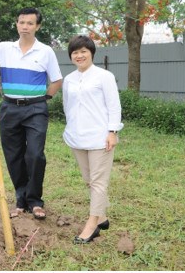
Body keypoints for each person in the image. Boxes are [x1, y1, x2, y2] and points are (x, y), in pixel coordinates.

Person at [0, 7, 62, 220]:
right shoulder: (4, 48)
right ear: (17, 24)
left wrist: (42, 99)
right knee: (14, 156)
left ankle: (35, 200)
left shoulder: (45, 51)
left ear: (38, 26)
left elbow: (57, 81)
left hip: (36, 109)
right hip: (9, 108)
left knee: (35, 155)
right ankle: (21, 200)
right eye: (22, 22)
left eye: (30, 23)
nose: (25, 26)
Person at [62, 35, 123, 244]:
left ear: (91, 53)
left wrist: (112, 131)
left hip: (100, 138)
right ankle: (103, 217)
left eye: (83, 52)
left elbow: (114, 105)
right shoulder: (69, 79)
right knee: (89, 180)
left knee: (98, 182)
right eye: (75, 52)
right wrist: (69, 130)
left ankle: (92, 224)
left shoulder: (104, 76)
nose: (79, 56)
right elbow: (67, 107)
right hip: (77, 137)